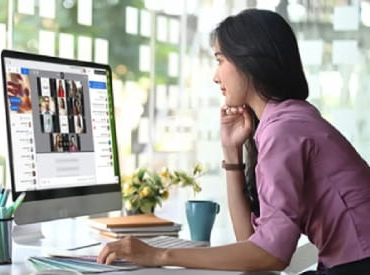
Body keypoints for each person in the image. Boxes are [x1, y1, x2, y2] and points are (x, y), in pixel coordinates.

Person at [97, 9, 370, 274]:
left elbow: (271, 255)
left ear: (249, 59)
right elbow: (250, 243)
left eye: (220, 60)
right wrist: (231, 152)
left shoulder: (285, 129)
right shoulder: (287, 120)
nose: (216, 76)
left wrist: (158, 255)